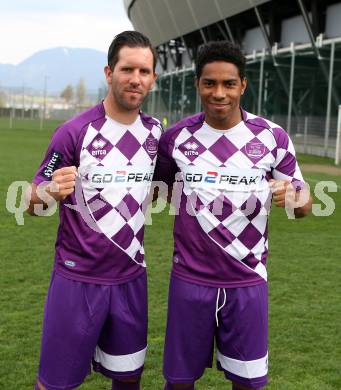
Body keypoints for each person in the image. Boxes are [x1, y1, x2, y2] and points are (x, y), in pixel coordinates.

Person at [154, 41, 312, 390]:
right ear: (198, 84)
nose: (219, 93)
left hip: (247, 280)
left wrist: (295, 196)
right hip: (189, 281)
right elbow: (157, 192)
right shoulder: (175, 139)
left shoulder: (272, 137)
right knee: (179, 382)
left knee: (249, 384)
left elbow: (303, 204)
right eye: (209, 83)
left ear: (243, 85)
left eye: (228, 83)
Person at [27, 30, 162, 390]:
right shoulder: (73, 132)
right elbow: (31, 199)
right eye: (127, 69)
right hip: (78, 279)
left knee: (128, 379)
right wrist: (50, 191)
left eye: (144, 71)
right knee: (55, 383)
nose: (135, 79)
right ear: (108, 73)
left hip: (131, 277)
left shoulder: (156, 134)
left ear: (153, 78)